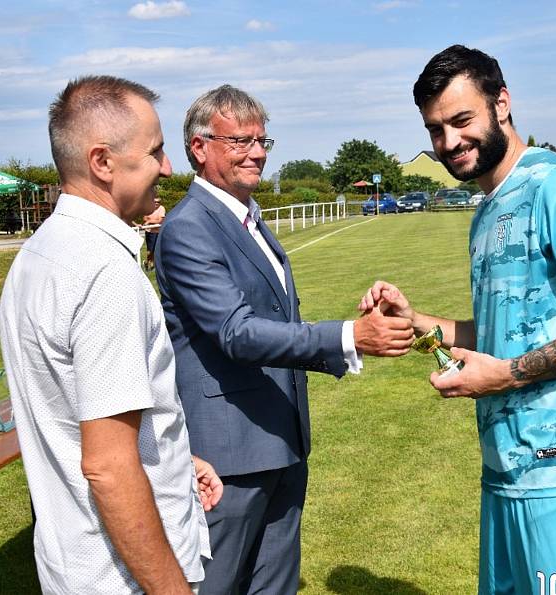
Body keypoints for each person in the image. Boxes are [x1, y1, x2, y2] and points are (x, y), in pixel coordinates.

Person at [360, 45, 556, 595]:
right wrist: (417, 320)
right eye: (435, 129)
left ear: (502, 102)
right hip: (507, 476)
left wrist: (508, 375)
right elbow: (504, 332)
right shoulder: (487, 210)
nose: (449, 142)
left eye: (461, 120)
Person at [155, 84, 414, 595]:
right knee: (219, 584)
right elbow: (236, 331)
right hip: (228, 456)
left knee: (275, 586)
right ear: (199, 148)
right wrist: (348, 337)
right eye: (240, 142)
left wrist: (343, 334)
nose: (257, 153)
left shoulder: (245, 216)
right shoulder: (189, 228)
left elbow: (270, 319)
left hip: (280, 440)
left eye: (263, 140)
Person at [0, 75, 221, 595]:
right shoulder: (104, 273)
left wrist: (170, 456)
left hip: (73, 566)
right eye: (155, 152)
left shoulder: (38, 253)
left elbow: (77, 413)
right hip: (121, 577)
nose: (167, 167)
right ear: (103, 162)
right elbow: (108, 466)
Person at [142, 196, 166, 271]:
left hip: (157, 231)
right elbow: (144, 218)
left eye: (158, 202)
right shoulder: (148, 206)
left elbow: (160, 221)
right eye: (155, 202)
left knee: (154, 249)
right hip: (149, 231)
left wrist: (149, 221)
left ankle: (149, 263)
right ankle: (148, 262)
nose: (156, 203)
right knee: (150, 250)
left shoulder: (161, 208)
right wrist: (151, 220)